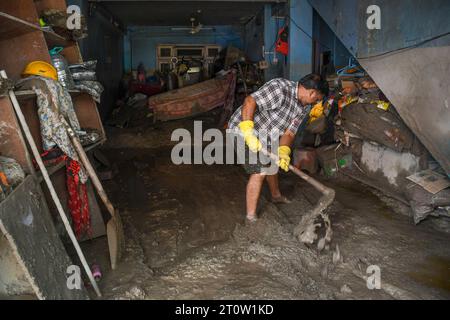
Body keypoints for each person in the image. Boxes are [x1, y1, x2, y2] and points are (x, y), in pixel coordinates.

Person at [228, 73, 329, 222]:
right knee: (260, 169)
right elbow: (250, 101)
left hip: (267, 133)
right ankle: (251, 216)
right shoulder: (280, 88)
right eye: (316, 99)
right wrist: (248, 131)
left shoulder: (304, 107)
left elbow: (289, 132)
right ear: (312, 92)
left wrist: (283, 151)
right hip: (242, 128)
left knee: (272, 163)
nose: (315, 103)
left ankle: (276, 196)